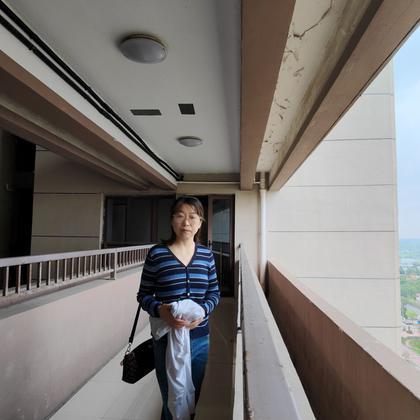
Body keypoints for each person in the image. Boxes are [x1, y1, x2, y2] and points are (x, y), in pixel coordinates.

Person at [137, 196, 220, 420]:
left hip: (200, 339)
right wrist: (161, 311)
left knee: (193, 399)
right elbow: (143, 295)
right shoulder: (157, 254)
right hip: (166, 340)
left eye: (193, 217)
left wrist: (202, 312)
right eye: (180, 216)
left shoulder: (206, 255)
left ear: (200, 223)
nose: (186, 222)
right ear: (172, 220)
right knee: (171, 401)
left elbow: (214, 293)